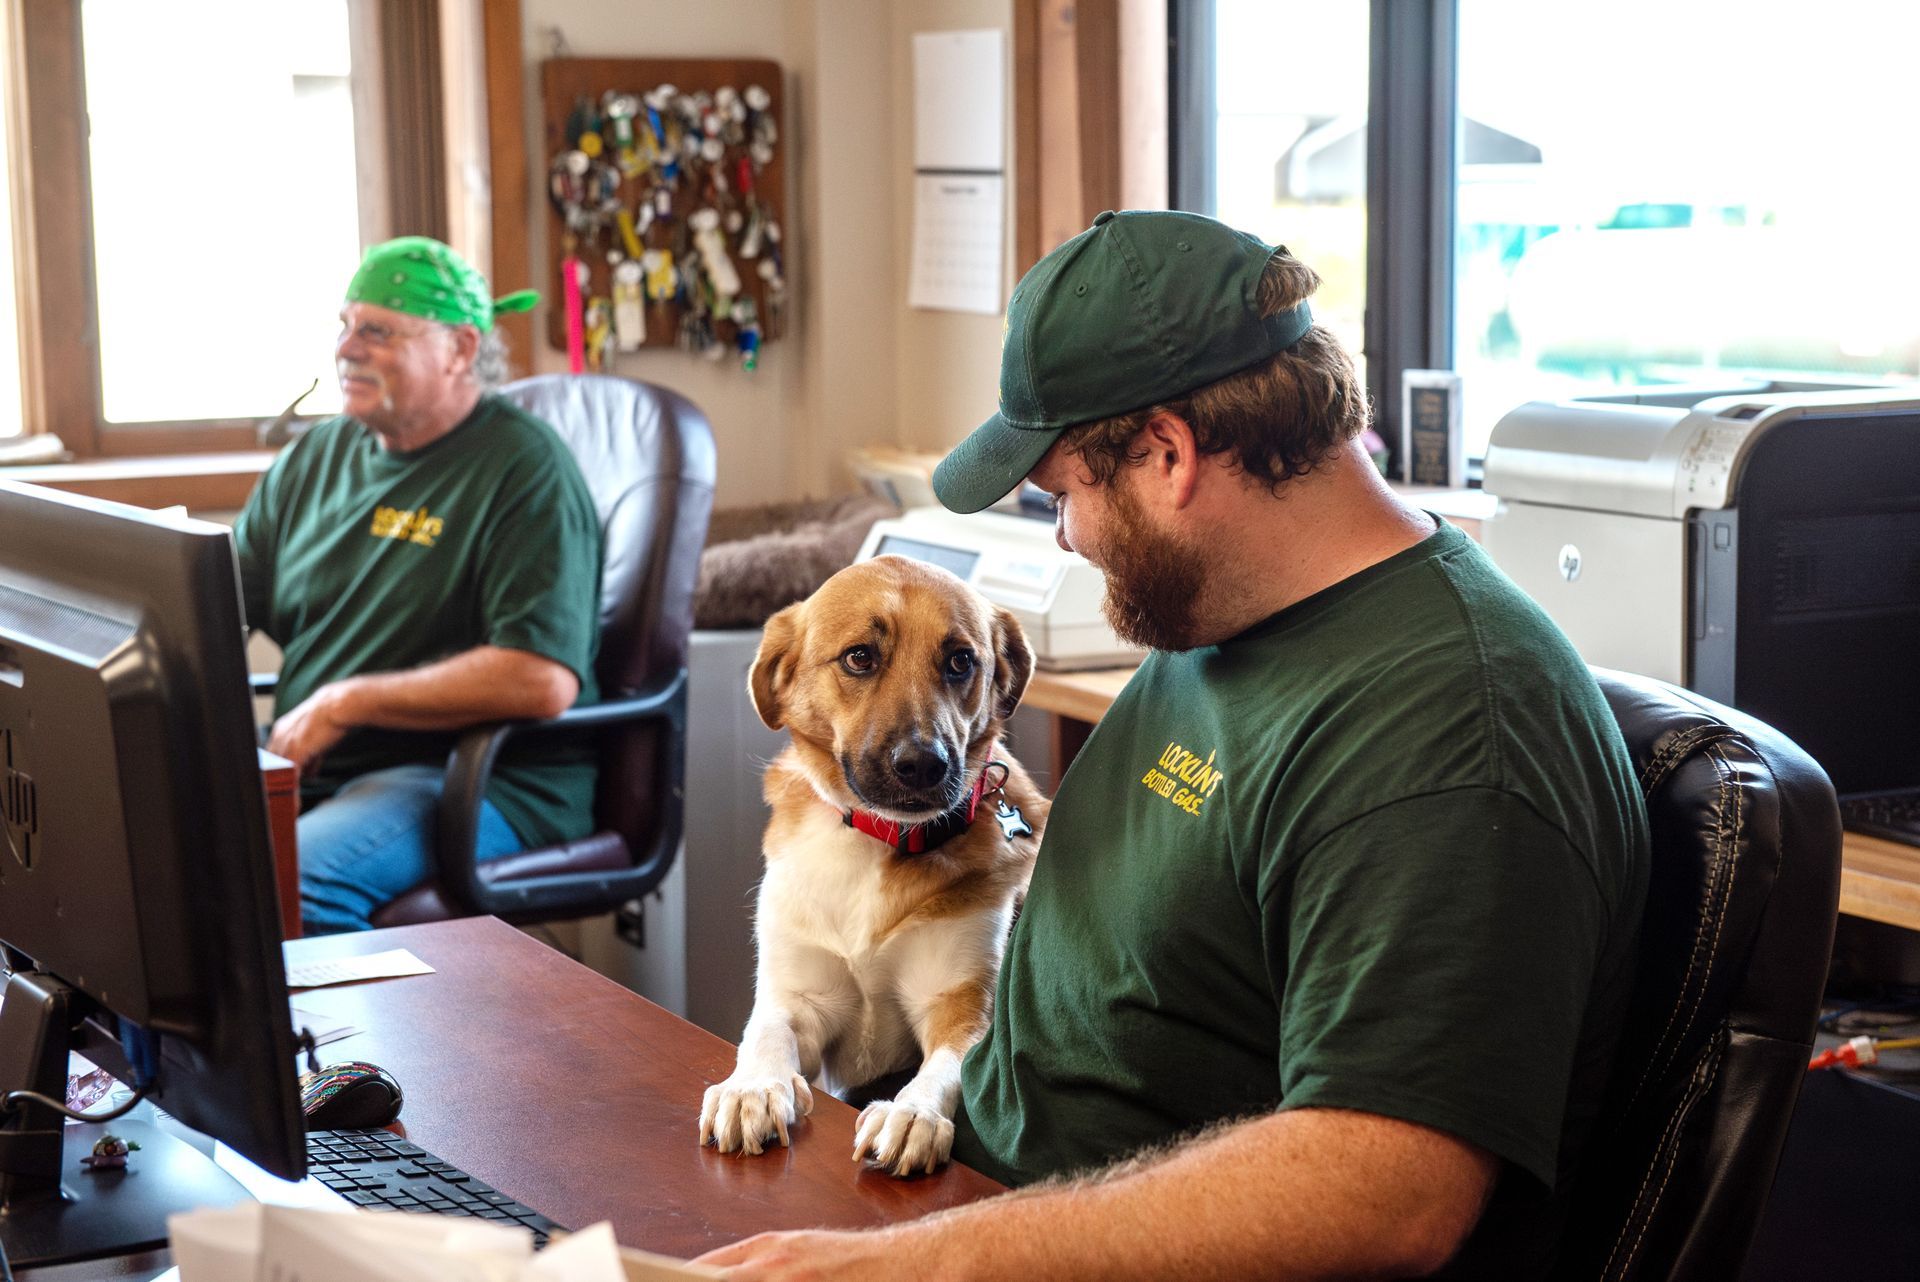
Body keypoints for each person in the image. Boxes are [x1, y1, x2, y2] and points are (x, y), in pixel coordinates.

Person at [694, 210, 1651, 1279]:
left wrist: (920, 1263)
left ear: (1167, 453)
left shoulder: (1449, 731)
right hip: (956, 1189)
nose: (1065, 535)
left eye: (1063, 494)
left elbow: (1385, 1193)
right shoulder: (1220, 616)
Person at [234, 237, 603, 935]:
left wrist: (348, 701)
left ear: (460, 349)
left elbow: (541, 678)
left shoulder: (525, 470)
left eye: (377, 330)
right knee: (146, 857)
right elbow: (211, 610)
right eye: (344, 326)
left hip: (474, 777)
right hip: (321, 770)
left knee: (291, 886)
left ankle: (341, 1051)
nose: (347, 348)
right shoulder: (315, 458)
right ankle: (187, 1053)